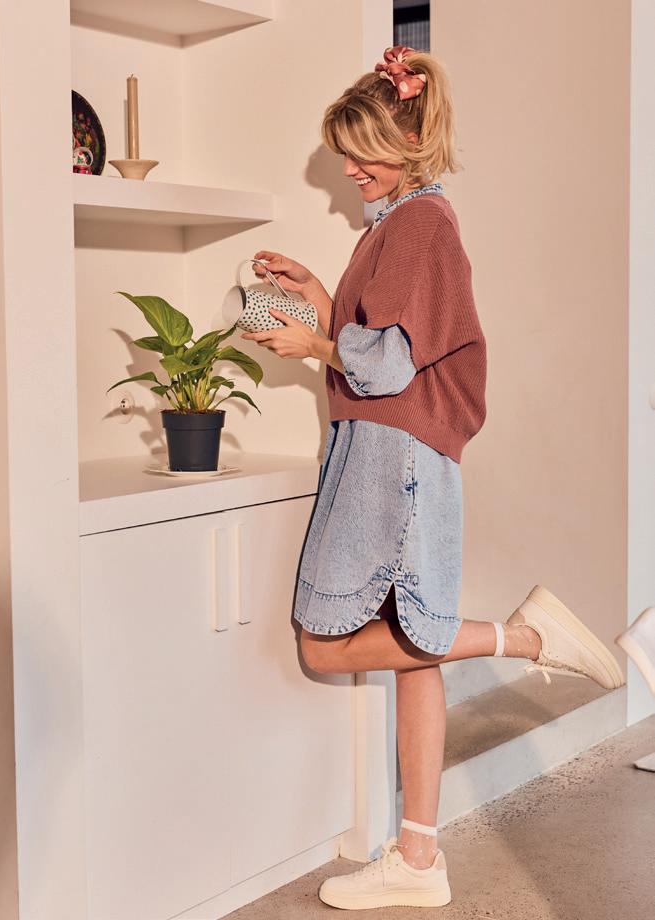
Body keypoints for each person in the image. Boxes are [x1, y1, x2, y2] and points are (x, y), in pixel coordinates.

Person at [240, 45, 625, 911]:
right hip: (400, 452)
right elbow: (390, 341)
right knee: (414, 653)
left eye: (361, 151)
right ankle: (418, 857)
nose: (348, 168)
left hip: (391, 456)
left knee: (327, 642)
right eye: (344, 151)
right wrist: (319, 291)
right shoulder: (401, 224)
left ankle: (522, 640)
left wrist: (313, 343)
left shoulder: (418, 224)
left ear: (407, 144)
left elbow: (382, 366)